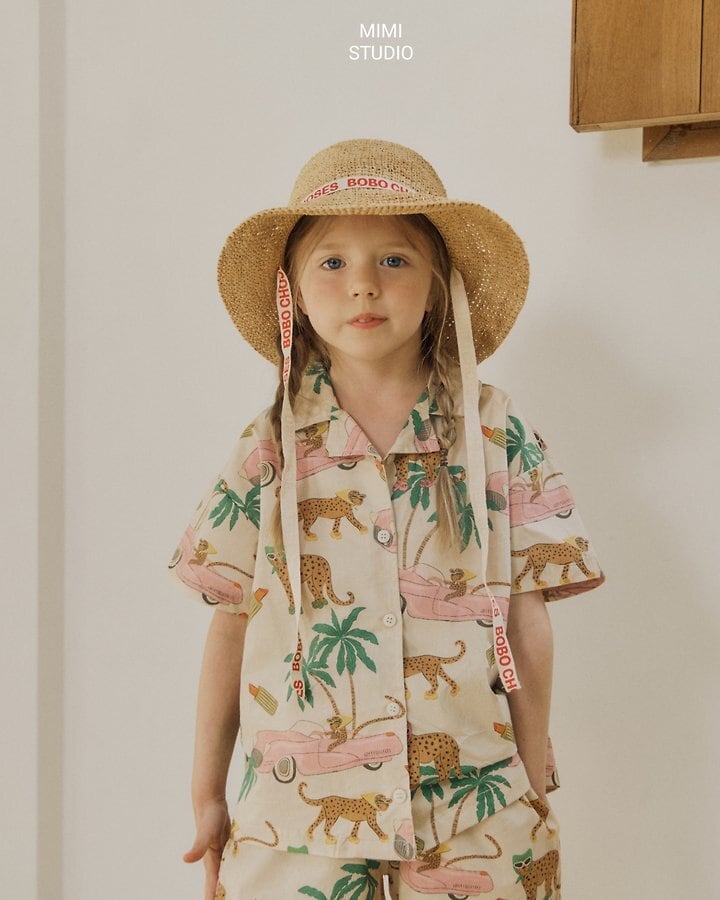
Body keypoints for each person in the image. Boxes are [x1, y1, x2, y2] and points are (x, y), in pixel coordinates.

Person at [167, 139, 605, 899]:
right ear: (294, 295)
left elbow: (525, 619)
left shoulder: (496, 434)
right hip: (293, 824)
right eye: (332, 262)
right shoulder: (268, 449)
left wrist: (530, 782)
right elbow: (232, 625)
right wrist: (208, 795)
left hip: (474, 811)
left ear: (436, 286)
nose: (363, 283)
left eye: (394, 260)